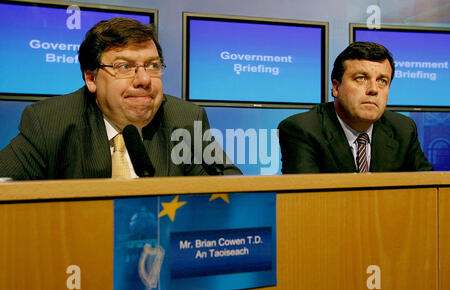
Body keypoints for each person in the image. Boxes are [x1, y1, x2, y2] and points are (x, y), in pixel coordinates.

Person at [0, 18, 241, 180]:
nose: (144, 80)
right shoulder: (50, 122)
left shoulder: (185, 120)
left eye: (153, 66)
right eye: (125, 66)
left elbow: (231, 191)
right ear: (91, 78)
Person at [278, 41, 433, 173]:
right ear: (336, 87)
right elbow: (304, 201)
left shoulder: (403, 129)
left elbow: (430, 192)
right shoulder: (302, 130)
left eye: (382, 81)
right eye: (361, 78)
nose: (373, 89)